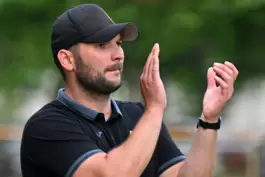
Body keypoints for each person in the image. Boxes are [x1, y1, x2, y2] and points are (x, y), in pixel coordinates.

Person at [20, 3, 239, 177]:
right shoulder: (46, 127)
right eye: (102, 45)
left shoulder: (139, 116)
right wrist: (154, 109)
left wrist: (209, 120)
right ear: (67, 60)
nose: (118, 54)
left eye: (119, 44)